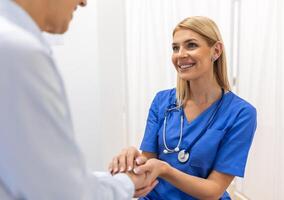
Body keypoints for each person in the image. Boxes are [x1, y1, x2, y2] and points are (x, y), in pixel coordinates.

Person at [0, 0, 157, 199]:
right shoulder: (18, 51)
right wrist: (126, 182)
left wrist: (118, 180)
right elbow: (62, 191)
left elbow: (32, 172)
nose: (84, 2)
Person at [109, 16, 257, 200]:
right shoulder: (162, 101)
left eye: (191, 45)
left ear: (216, 51)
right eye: (175, 48)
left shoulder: (241, 113)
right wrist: (132, 159)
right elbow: (147, 162)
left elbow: (213, 190)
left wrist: (164, 169)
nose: (180, 54)